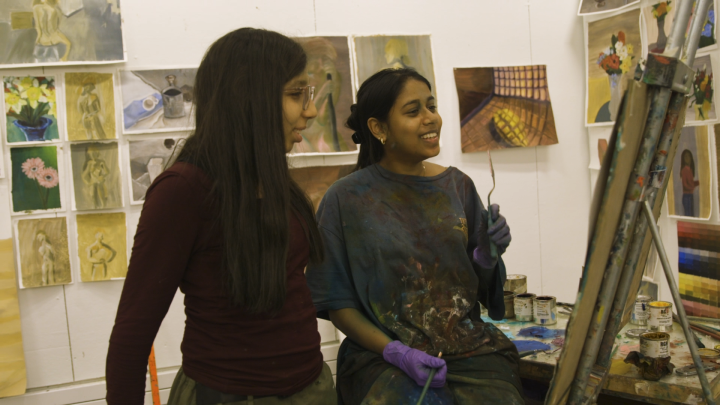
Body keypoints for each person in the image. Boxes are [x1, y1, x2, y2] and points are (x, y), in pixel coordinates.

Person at [106, 28, 336, 405]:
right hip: (228, 395)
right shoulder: (183, 191)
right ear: (250, 99)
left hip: (310, 387)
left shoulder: (273, 178)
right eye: (296, 95)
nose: (310, 111)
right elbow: (133, 330)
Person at [306, 68, 522, 404]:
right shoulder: (345, 199)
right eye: (413, 111)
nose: (430, 119)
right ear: (378, 128)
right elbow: (337, 303)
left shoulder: (457, 185)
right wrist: (394, 351)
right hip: (381, 359)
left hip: (470, 352)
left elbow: (481, 292)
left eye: (431, 106)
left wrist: (486, 258)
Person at [680, 149, 700, 217]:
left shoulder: (690, 170)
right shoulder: (684, 170)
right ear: (683, 159)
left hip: (690, 196)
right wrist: (693, 186)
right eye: (686, 157)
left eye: (689, 156)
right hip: (686, 197)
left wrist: (698, 183)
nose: (688, 158)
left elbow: (691, 183)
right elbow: (685, 185)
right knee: (688, 215)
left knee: (691, 215)